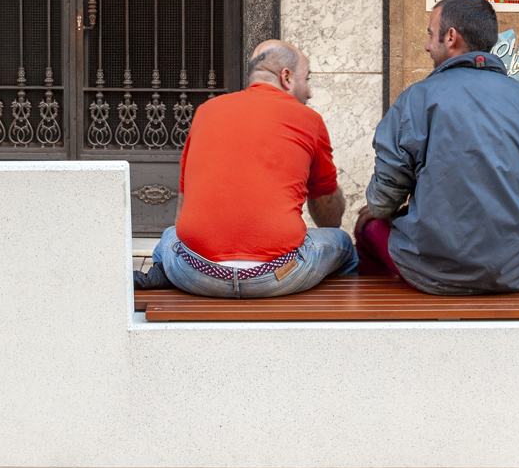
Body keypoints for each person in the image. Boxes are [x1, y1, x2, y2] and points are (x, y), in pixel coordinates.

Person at [354, 0, 519, 294]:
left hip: (430, 272)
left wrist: (378, 212)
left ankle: (379, 321)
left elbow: (383, 197)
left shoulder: (417, 99)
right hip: (515, 273)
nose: (428, 45)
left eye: (432, 35)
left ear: (451, 37)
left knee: (365, 229)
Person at [134, 40, 357, 297]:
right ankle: (340, 324)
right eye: (307, 79)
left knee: (169, 238)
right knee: (342, 244)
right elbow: (330, 219)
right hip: (278, 276)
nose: (310, 93)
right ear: (286, 77)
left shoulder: (206, 111)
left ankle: (164, 275)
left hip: (195, 274)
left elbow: (181, 213)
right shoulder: (310, 120)